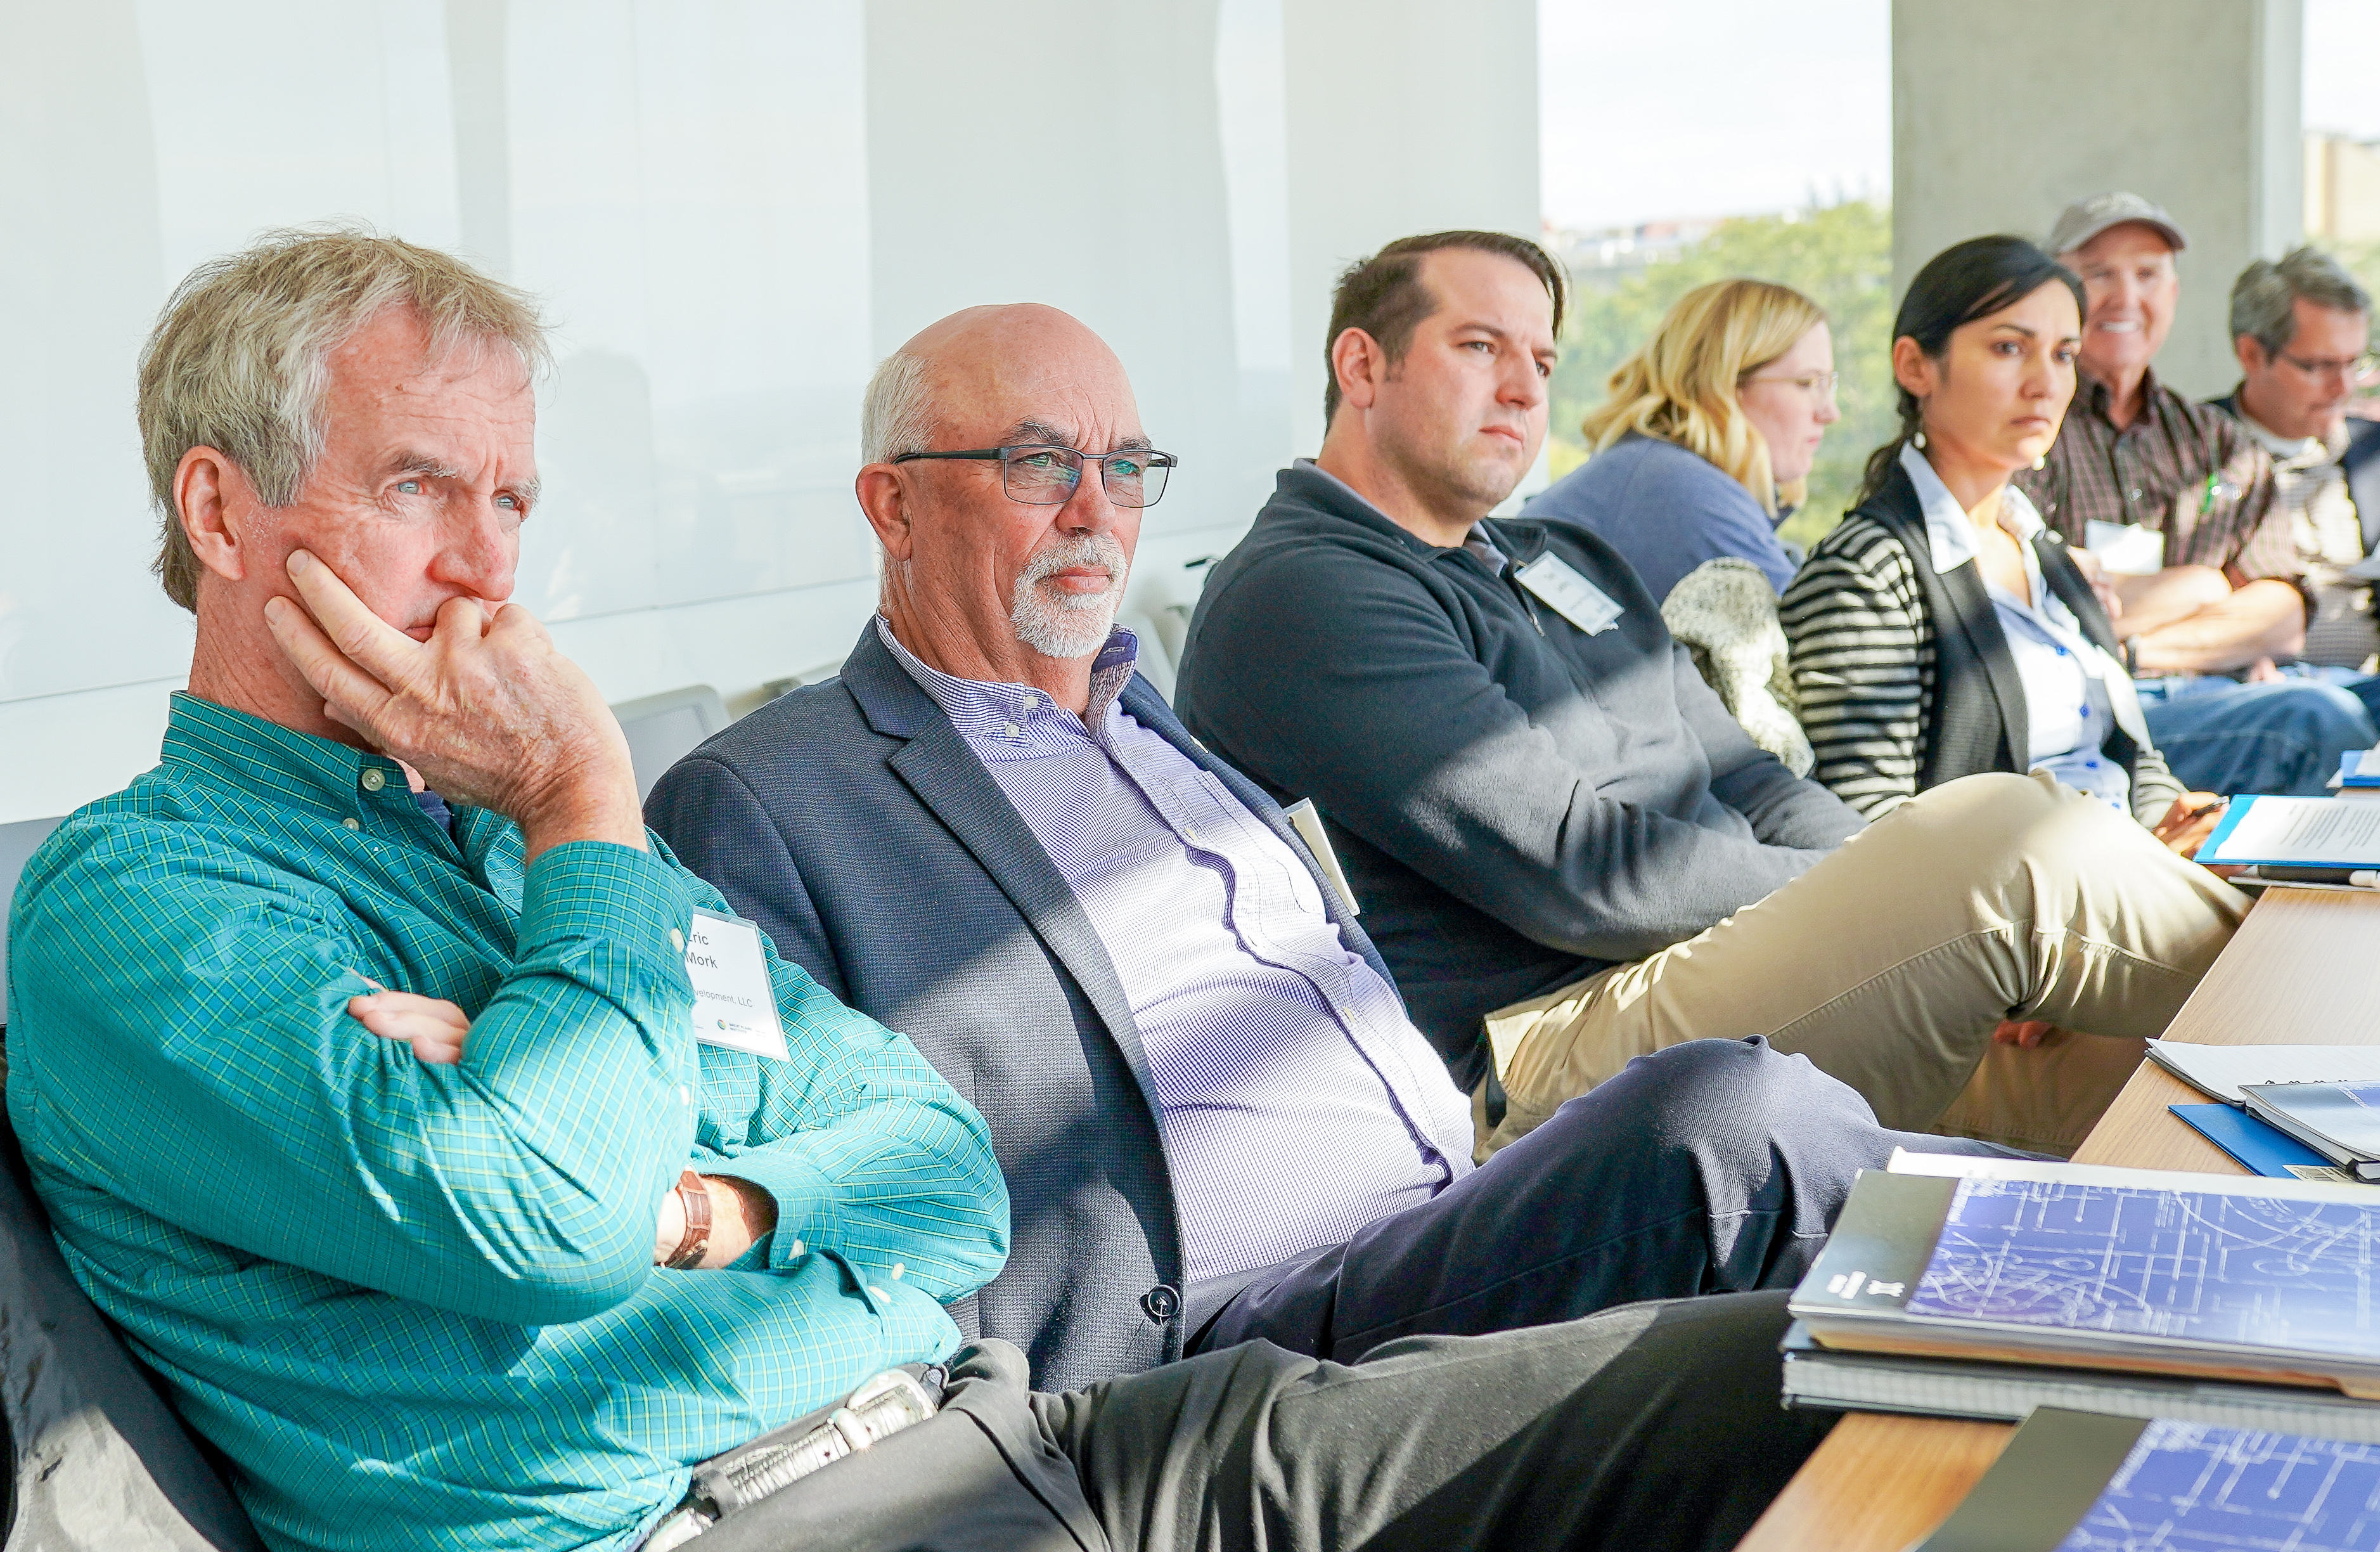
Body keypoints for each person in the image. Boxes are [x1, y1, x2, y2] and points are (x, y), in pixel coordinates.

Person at [5, 229, 1836, 1552]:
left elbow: (939, 1167)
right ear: (225, 517)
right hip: (751, 1524)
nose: (493, 573)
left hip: (1030, 1449)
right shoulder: (140, 908)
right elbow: (535, 1212)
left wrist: (695, 1194)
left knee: (1794, 1386)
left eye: (515, 502)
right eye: (424, 490)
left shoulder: (514, 854)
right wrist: (580, 814)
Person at [646, 298, 2014, 1400]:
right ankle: (2134, 1297)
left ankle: (2136, 1321)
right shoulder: (764, 797)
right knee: (1727, 1123)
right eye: (1034, 464)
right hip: (1215, 1354)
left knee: (1810, 1335)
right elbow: (796, 1188)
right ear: (890, 507)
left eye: (1123, 467)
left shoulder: (1142, 722)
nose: (1093, 510)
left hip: (1439, 1202)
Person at [1174, 230, 2251, 1160]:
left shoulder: (1566, 557)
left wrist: (1880, 902)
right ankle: (2342, 1003)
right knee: (2017, 838)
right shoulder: (1304, 590)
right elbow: (1585, 874)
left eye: (1541, 359)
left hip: (1713, 977)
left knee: (2129, 1073)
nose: (1521, 388)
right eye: (1478, 347)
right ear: (1362, 366)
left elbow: (1750, 776)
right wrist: (1882, 890)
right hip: (1543, 1045)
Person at [1783, 236, 2217, 842]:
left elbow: (2133, 761)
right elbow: (1869, 827)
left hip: (2124, 871)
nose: (2044, 383)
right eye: (2009, 348)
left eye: (2064, 354)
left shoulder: (2041, 550)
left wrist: (2171, 820)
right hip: (2019, 907)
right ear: (1914, 367)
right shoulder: (1864, 573)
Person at [2012, 192, 2378, 794]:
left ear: (2173, 296)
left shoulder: (2213, 440)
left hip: (2226, 690)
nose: (2126, 297)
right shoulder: (2027, 427)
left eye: (2148, 274)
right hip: (2096, 707)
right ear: (2056, 293)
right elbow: (2045, 601)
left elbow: (2283, 611)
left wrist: (2135, 638)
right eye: (2099, 273)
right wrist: (2207, 590)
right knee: (2315, 722)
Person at [2209, 245, 2380, 722]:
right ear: (2251, 354)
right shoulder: (2187, 450)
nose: (2343, 387)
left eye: (2354, 363)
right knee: (2318, 714)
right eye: (2319, 366)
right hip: (2251, 695)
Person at [1525, 278, 1839, 601]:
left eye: (1830, 384)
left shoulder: (1649, 467)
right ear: (1725, 383)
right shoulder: (1677, 487)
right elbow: (1819, 638)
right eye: (1806, 383)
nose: (1830, 412)